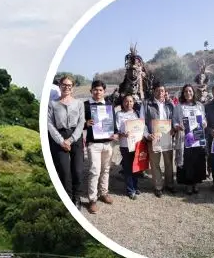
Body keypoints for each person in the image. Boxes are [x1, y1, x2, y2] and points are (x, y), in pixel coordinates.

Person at [47, 75, 85, 203]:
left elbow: (81, 123)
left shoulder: (79, 103)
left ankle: (77, 197)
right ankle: (68, 199)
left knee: (78, 170)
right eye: (64, 85)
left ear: (73, 88)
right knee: (64, 171)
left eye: (69, 85)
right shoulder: (53, 104)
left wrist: (71, 140)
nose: (66, 87)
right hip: (59, 136)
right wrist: (61, 141)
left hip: (76, 136)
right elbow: (49, 124)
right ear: (59, 86)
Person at [83, 80, 115, 212]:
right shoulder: (85, 105)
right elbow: (78, 123)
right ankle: (92, 199)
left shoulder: (109, 105)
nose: (98, 92)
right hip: (94, 144)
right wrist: (86, 124)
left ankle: (103, 193)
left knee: (106, 169)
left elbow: (113, 123)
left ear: (104, 92)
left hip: (107, 142)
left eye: (100, 90)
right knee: (94, 171)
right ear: (91, 91)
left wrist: (115, 133)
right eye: (95, 89)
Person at [143, 82, 177, 197]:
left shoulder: (170, 104)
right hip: (154, 138)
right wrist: (147, 134)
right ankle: (158, 186)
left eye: (162, 90)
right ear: (154, 91)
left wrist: (173, 129)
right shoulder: (147, 103)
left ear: (165, 92)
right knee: (155, 163)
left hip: (167, 137)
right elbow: (142, 121)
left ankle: (170, 184)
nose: (160, 93)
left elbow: (174, 119)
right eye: (157, 90)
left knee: (168, 162)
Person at [176, 83, 207, 195]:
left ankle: (196, 183)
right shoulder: (179, 106)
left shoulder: (199, 105)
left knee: (197, 160)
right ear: (183, 94)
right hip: (185, 137)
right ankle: (188, 184)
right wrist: (177, 126)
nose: (188, 93)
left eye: (190, 91)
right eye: (185, 91)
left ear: (193, 92)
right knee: (187, 161)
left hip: (197, 136)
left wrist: (204, 123)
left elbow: (204, 119)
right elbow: (174, 121)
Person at [114, 95, 143, 199]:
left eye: (131, 101)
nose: (128, 103)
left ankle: (135, 186)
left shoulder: (137, 113)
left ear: (133, 102)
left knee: (136, 167)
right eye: (126, 101)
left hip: (136, 144)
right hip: (125, 145)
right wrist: (122, 134)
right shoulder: (119, 114)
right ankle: (130, 189)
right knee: (127, 167)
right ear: (122, 103)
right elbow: (116, 130)